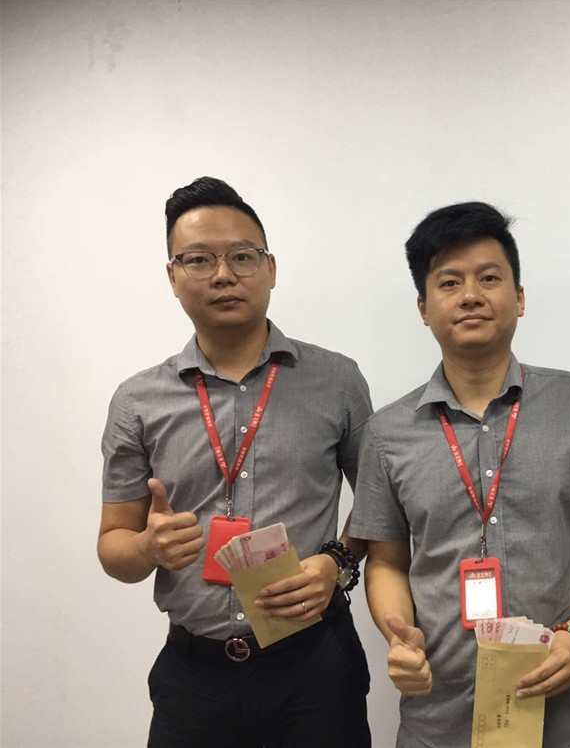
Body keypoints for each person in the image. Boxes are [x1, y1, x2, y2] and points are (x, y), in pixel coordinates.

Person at [97, 177, 373, 747]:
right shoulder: (137, 400)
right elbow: (113, 547)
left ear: (270, 268)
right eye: (199, 259)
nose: (223, 275)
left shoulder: (338, 381)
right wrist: (147, 548)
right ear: (172, 277)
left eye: (242, 257)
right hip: (194, 677)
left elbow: (380, 507)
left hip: (314, 665)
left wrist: (336, 563)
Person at [350, 202, 570, 748]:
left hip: (567, 716)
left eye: (489, 278)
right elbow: (386, 560)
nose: (471, 295)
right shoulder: (386, 432)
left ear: (519, 297)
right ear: (423, 307)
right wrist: (398, 636)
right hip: (440, 720)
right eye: (449, 282)